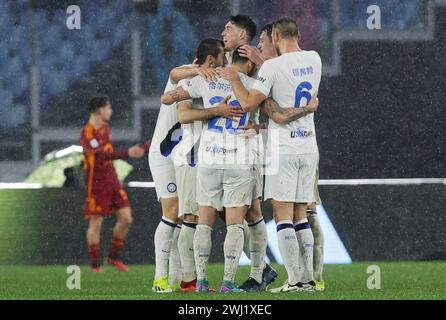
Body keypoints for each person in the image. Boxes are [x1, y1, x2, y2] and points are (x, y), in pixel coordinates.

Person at [224, 17, 322, 292]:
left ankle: (294, 280)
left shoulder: (272, 68)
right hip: (308, 146)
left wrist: (234, 78)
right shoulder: (315, 58)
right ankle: (308, 280)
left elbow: (246, 103)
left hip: (285, 150)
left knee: (283, 217)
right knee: (301, 215)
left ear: (276, 36)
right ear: (298, 33)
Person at [160, 38, 242, 292]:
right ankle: (189, 279)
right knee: (190, 217)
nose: (225, 61)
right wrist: (216, 111)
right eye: (222, 57)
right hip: (190, 154)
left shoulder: (219, 78)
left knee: (205, 217)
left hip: (210, 155)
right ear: (210, 60)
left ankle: (200, 279)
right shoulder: (191, 78)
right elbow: (181, 113)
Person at [80, 95, 147, 273]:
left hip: (112, 181)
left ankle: (112, 257)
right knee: (96, 222)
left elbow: (107, 155)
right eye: (108, 107)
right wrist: (127, 153)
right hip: (96, 185)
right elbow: (101, 156)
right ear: (99, 110)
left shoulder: (106, 128)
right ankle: (95, 266)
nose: (110, 111)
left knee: (126, 218)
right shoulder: (87, 132)